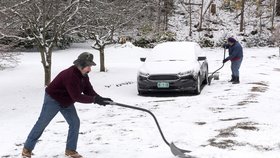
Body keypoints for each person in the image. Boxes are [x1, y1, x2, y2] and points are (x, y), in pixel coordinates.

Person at [22, 52, 113, 158]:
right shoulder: (70, 76)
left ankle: (70, 150)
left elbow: (88, 90)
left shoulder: (84, 75)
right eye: (88, 66)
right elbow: (77, 97)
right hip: (53, 99)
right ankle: (27, 149)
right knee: (42, 123)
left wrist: (100, 99)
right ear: (81, 65)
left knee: (75, 122)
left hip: (66, 101)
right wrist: (95, 100)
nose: (90, 69)